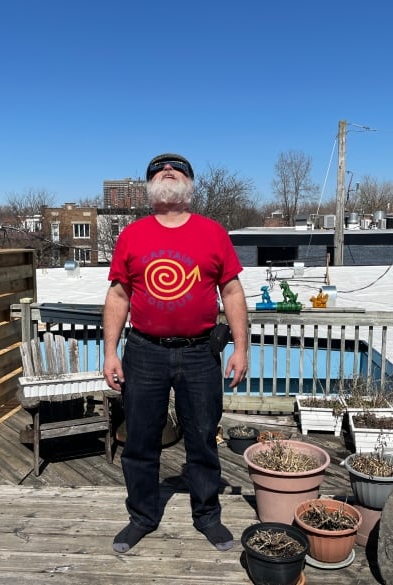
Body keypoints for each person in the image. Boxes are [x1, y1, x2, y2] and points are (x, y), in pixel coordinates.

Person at [102, 153, 249, 554]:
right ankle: (142, 517)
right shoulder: (132, 235)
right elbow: (118, 295)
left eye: (178, 168)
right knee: (140, 439)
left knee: (202, 437)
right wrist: (110, 351)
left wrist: (241, 347)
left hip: (200, 352)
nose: (168, 172)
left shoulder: (213, 233)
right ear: (149, 187)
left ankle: (207, 516)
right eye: (158, 170)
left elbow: (232, 292)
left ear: (189, 183)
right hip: (144, 352)